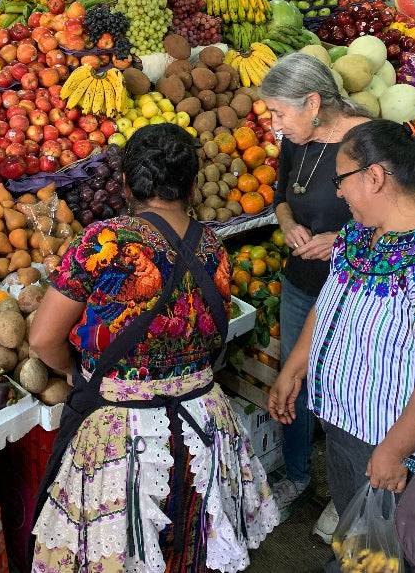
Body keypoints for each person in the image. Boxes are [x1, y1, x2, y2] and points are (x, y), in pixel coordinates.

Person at [29, 123, 278, 573]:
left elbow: (43, 338)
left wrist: (73, 371)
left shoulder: (101, 243)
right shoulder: (213, 246)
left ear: (127, 184)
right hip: (203, 424)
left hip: (120, 436)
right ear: (194, 185)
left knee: (119, 553)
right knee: (193, 547)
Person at [268, 119, 415, 562]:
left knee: (391, 549)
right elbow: (327, 305)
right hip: (342, 425)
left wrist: (393, 452)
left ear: (374, 177)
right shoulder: (357, 234)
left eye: (341, 179)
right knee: (361, 540)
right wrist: (294, 368)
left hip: (394, 444)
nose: (337, 193)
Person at [258, 53, 369, 538]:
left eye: (279, 113)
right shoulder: (296, 140)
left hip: (354, 292)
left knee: (347, 390)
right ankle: (299, 474)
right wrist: (289, 226)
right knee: (292, 381)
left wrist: (341, 243)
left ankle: (351, 495)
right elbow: (281, 196)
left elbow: (397, 223)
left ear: (313, 102)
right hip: (300, 281)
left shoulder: (368, 143)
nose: (274, 123)